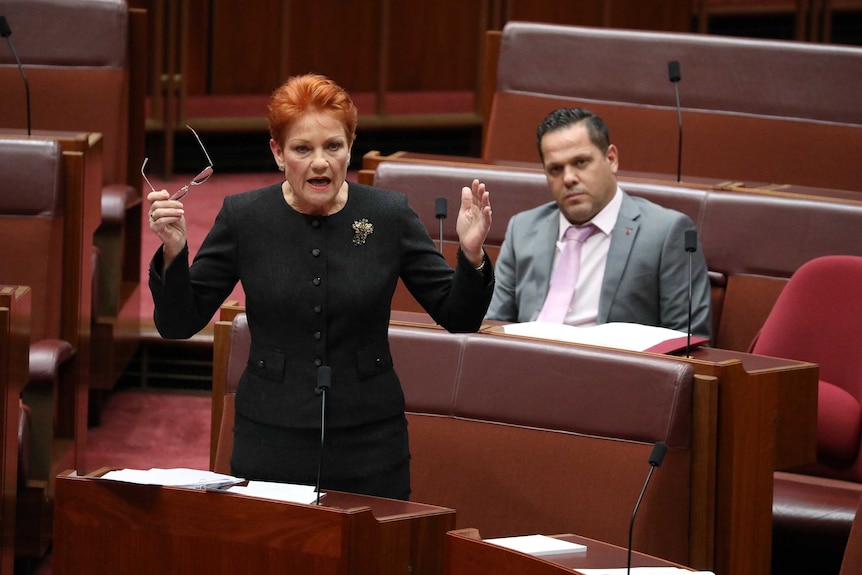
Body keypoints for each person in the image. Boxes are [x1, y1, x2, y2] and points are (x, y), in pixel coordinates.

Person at [146, 73, 494, 500]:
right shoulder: (244, 217)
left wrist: (473, 255)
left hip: (370, 441)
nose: (320, 163)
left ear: (350, 147)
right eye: (302, 149)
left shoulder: (389, 215)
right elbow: (179, 322)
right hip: (270, 436)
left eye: (333, 146)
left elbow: (458, 315)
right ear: (278, 152)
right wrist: (173, 252)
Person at [485, 107, 711, 340]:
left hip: (613, 370)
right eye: (555, 169)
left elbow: (686, 340)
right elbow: (493, 324)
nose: (569, 178)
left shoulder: (666, 232)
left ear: (611, 159)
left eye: (581, 162)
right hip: (526, 364)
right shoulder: (522, 228)